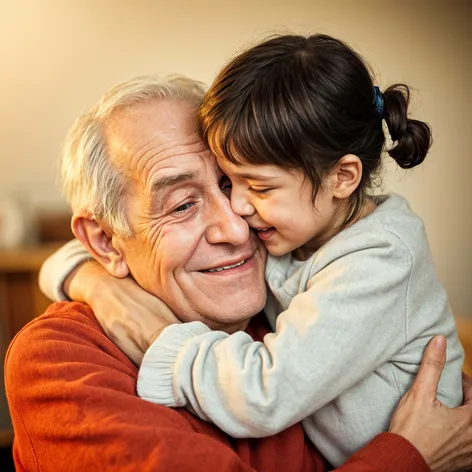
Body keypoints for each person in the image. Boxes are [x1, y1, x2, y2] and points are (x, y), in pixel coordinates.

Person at [40, 35, 464, 466]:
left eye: (244, 186)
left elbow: (268, 392)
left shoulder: (357, 262)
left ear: (343, 177)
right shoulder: (62, 362)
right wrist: (85, 275)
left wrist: (157, 338)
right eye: (184, 204)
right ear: (105, 242)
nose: (237, 222)